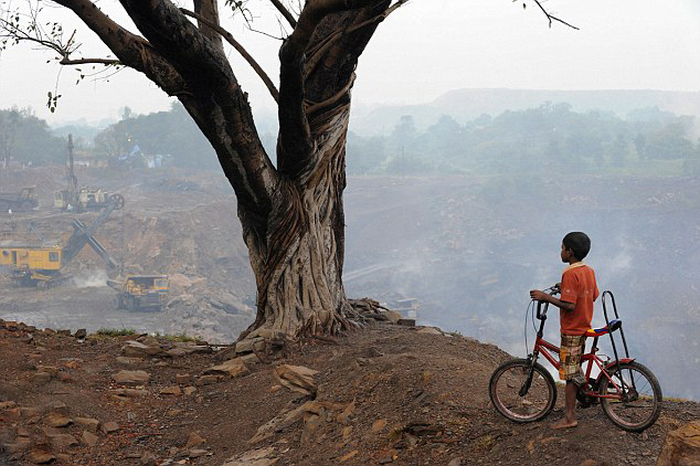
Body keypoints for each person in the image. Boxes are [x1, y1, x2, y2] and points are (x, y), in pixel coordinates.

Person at [530, 231, 599, 429]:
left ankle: (570, 418)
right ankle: (584, 391)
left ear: (569, 252)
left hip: (572, 329)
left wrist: (545, 297)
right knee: (574, 366)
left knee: (569, 375)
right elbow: (592, 295)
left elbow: (569, 305)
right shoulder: (588, 270)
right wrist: (565, 288)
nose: (560, 251)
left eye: (562, 248)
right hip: (584, 325)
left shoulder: (569, 273)